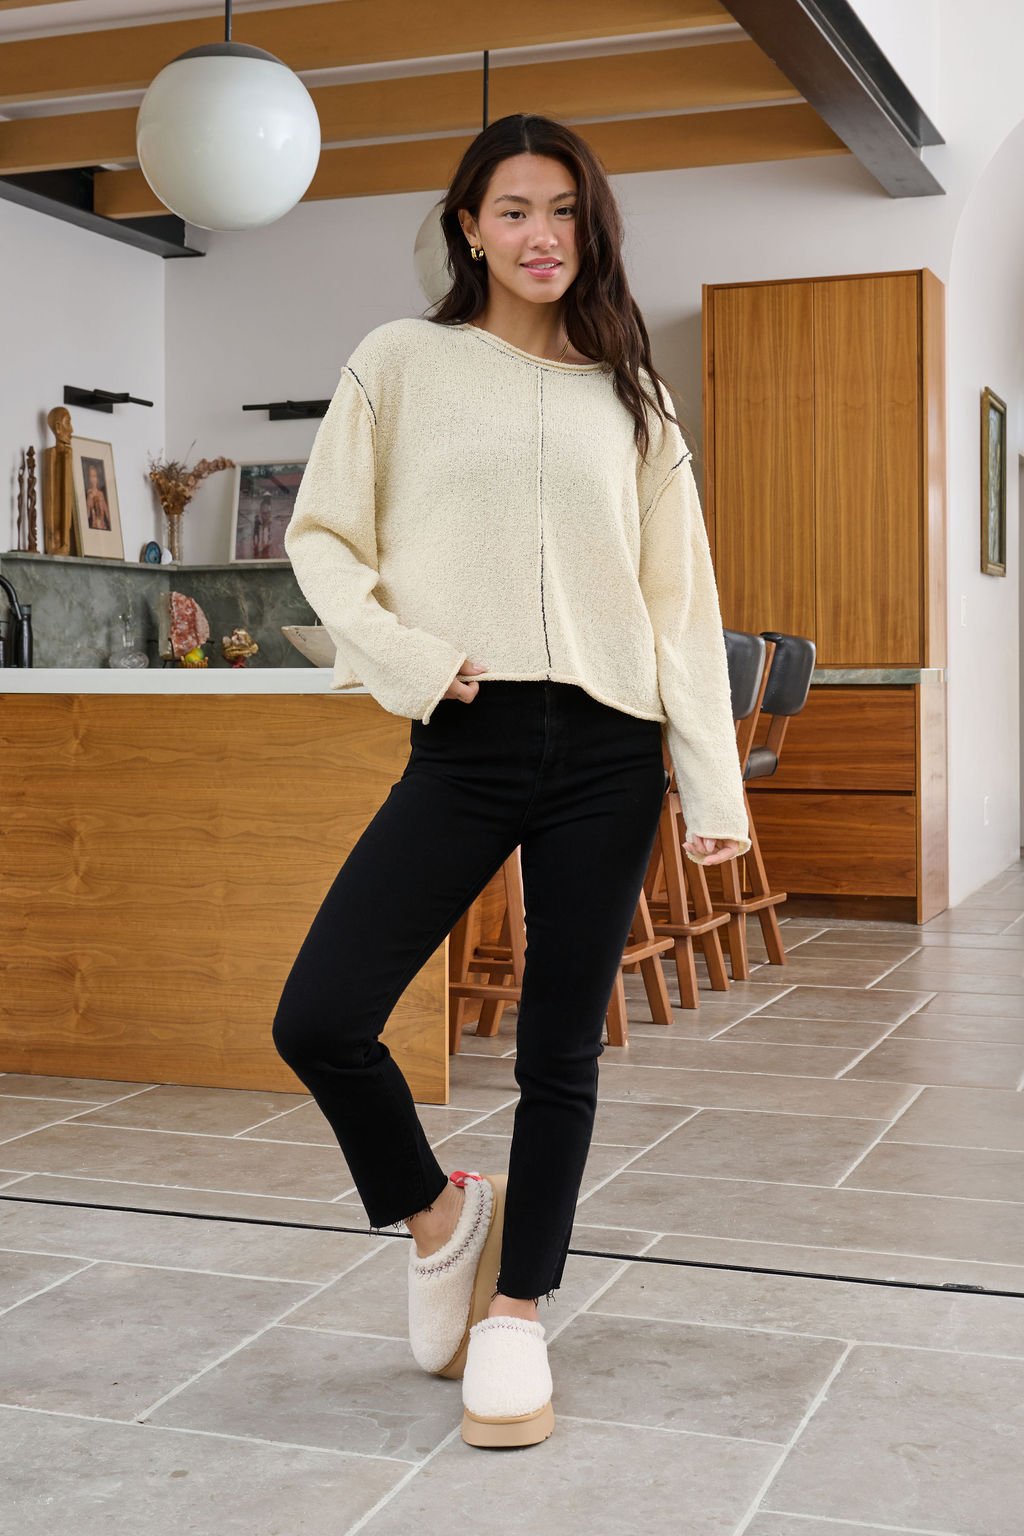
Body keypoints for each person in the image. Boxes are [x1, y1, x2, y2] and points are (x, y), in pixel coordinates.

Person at [272, 113, 750, 1451]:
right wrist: (410, 658)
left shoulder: (634, 398)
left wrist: (712, 786)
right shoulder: (400, 363)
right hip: (467, 737)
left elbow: (681, 601)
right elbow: (321, 538)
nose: (545, 235)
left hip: (611, 749)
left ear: (592, 229)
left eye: (567, 211)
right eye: (516, 210)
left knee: (559, 1053)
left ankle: (518, 1311)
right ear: (469, 228)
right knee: (321, 1016)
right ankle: (439, 1215)